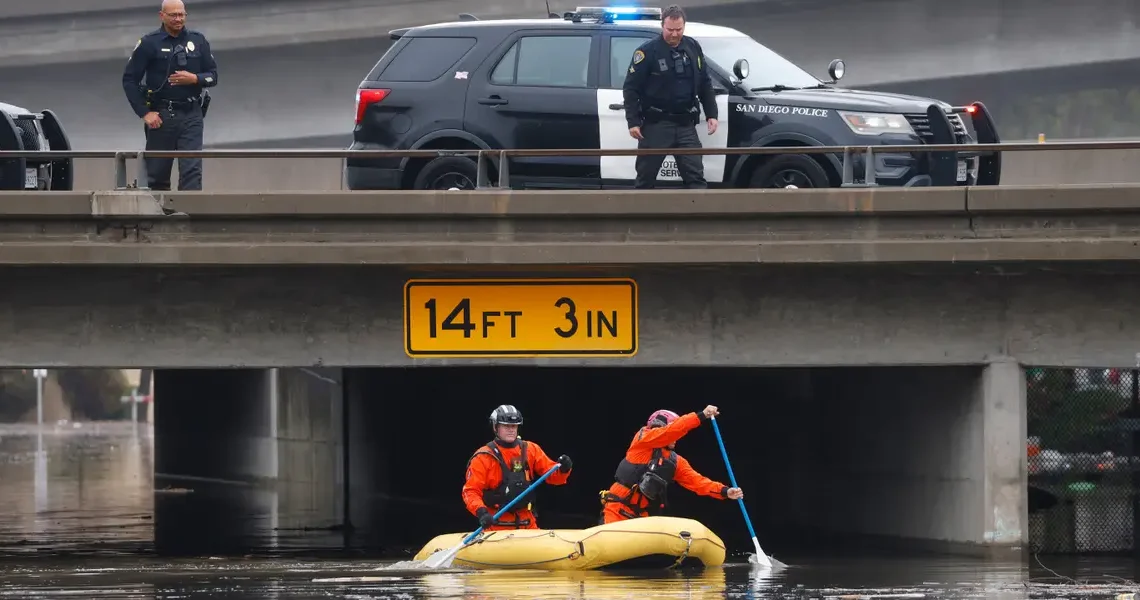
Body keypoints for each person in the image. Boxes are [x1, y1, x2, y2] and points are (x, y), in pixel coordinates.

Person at [121, 0, 218, 191]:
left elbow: (213, 76)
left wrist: (194, 79)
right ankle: (159, 218)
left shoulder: (197, 41)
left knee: (192, 171)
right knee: (157, 173)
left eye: (181, 14)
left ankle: (189, 215)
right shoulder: (149, 43)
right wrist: (145, 113)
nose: (178, 19)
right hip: (162, 115)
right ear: (162, 16)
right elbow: (129, 80)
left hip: (192, 114)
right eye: (173, 15)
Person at [622, 4, 718, 190]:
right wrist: (633, 121)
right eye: (670, 30)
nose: (674, 34)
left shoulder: (692, 46)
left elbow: (704, 82)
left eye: (679, 30)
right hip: (656, 124)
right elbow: (631, 88)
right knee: (645, 179)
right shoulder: (647, 52)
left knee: (696, 178)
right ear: (662, 26)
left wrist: (711, 114)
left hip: (686, 125)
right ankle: (642, 218)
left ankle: (698, 217)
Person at [599, 405, 742, 524]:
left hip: (641, 517)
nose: (676, 438)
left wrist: (725, 491)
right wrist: (700, 416)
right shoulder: (643, 439)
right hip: (616, 510)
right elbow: (671, 431)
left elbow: (697, 482)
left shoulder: (675, 461)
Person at [462, 404, 573, 531]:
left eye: (514, 426)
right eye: (506, 426)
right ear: (495, 427)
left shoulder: (530, 449)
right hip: (496, 526)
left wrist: (564, 469)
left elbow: (553, 476)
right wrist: (481, 512)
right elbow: (470, 491)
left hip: (527, 524)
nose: (511, 430)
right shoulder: (483, 457)